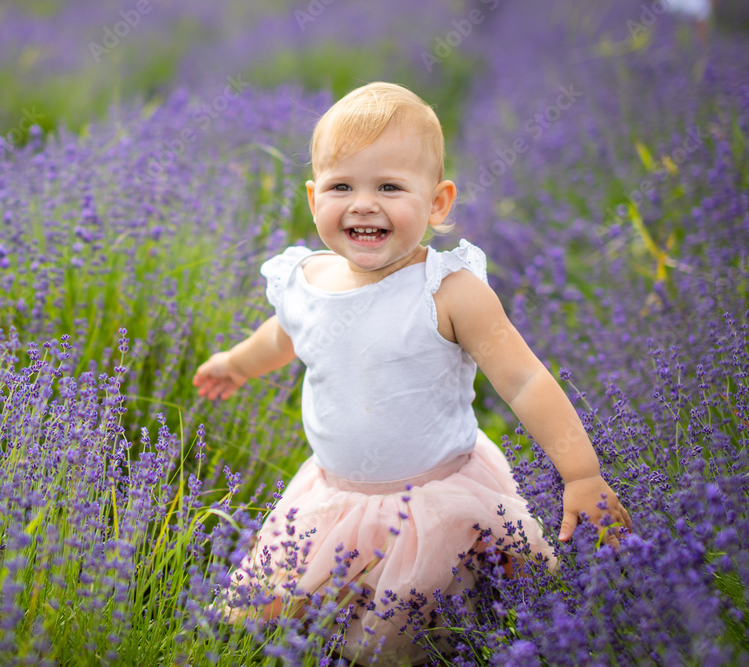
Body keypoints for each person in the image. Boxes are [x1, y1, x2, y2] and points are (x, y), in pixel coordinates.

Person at [192, 82, 631, 665]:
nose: (364, 204)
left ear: (438, 203)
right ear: (312, 196)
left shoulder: (448, 291)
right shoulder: (309, 281)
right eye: (341, 186)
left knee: (420, 629)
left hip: (435, 499)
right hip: (335, 496)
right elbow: (283, 335)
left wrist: (580, 473)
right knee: (309, 610)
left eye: (390, 187)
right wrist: (235, 364)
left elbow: (524, 379)